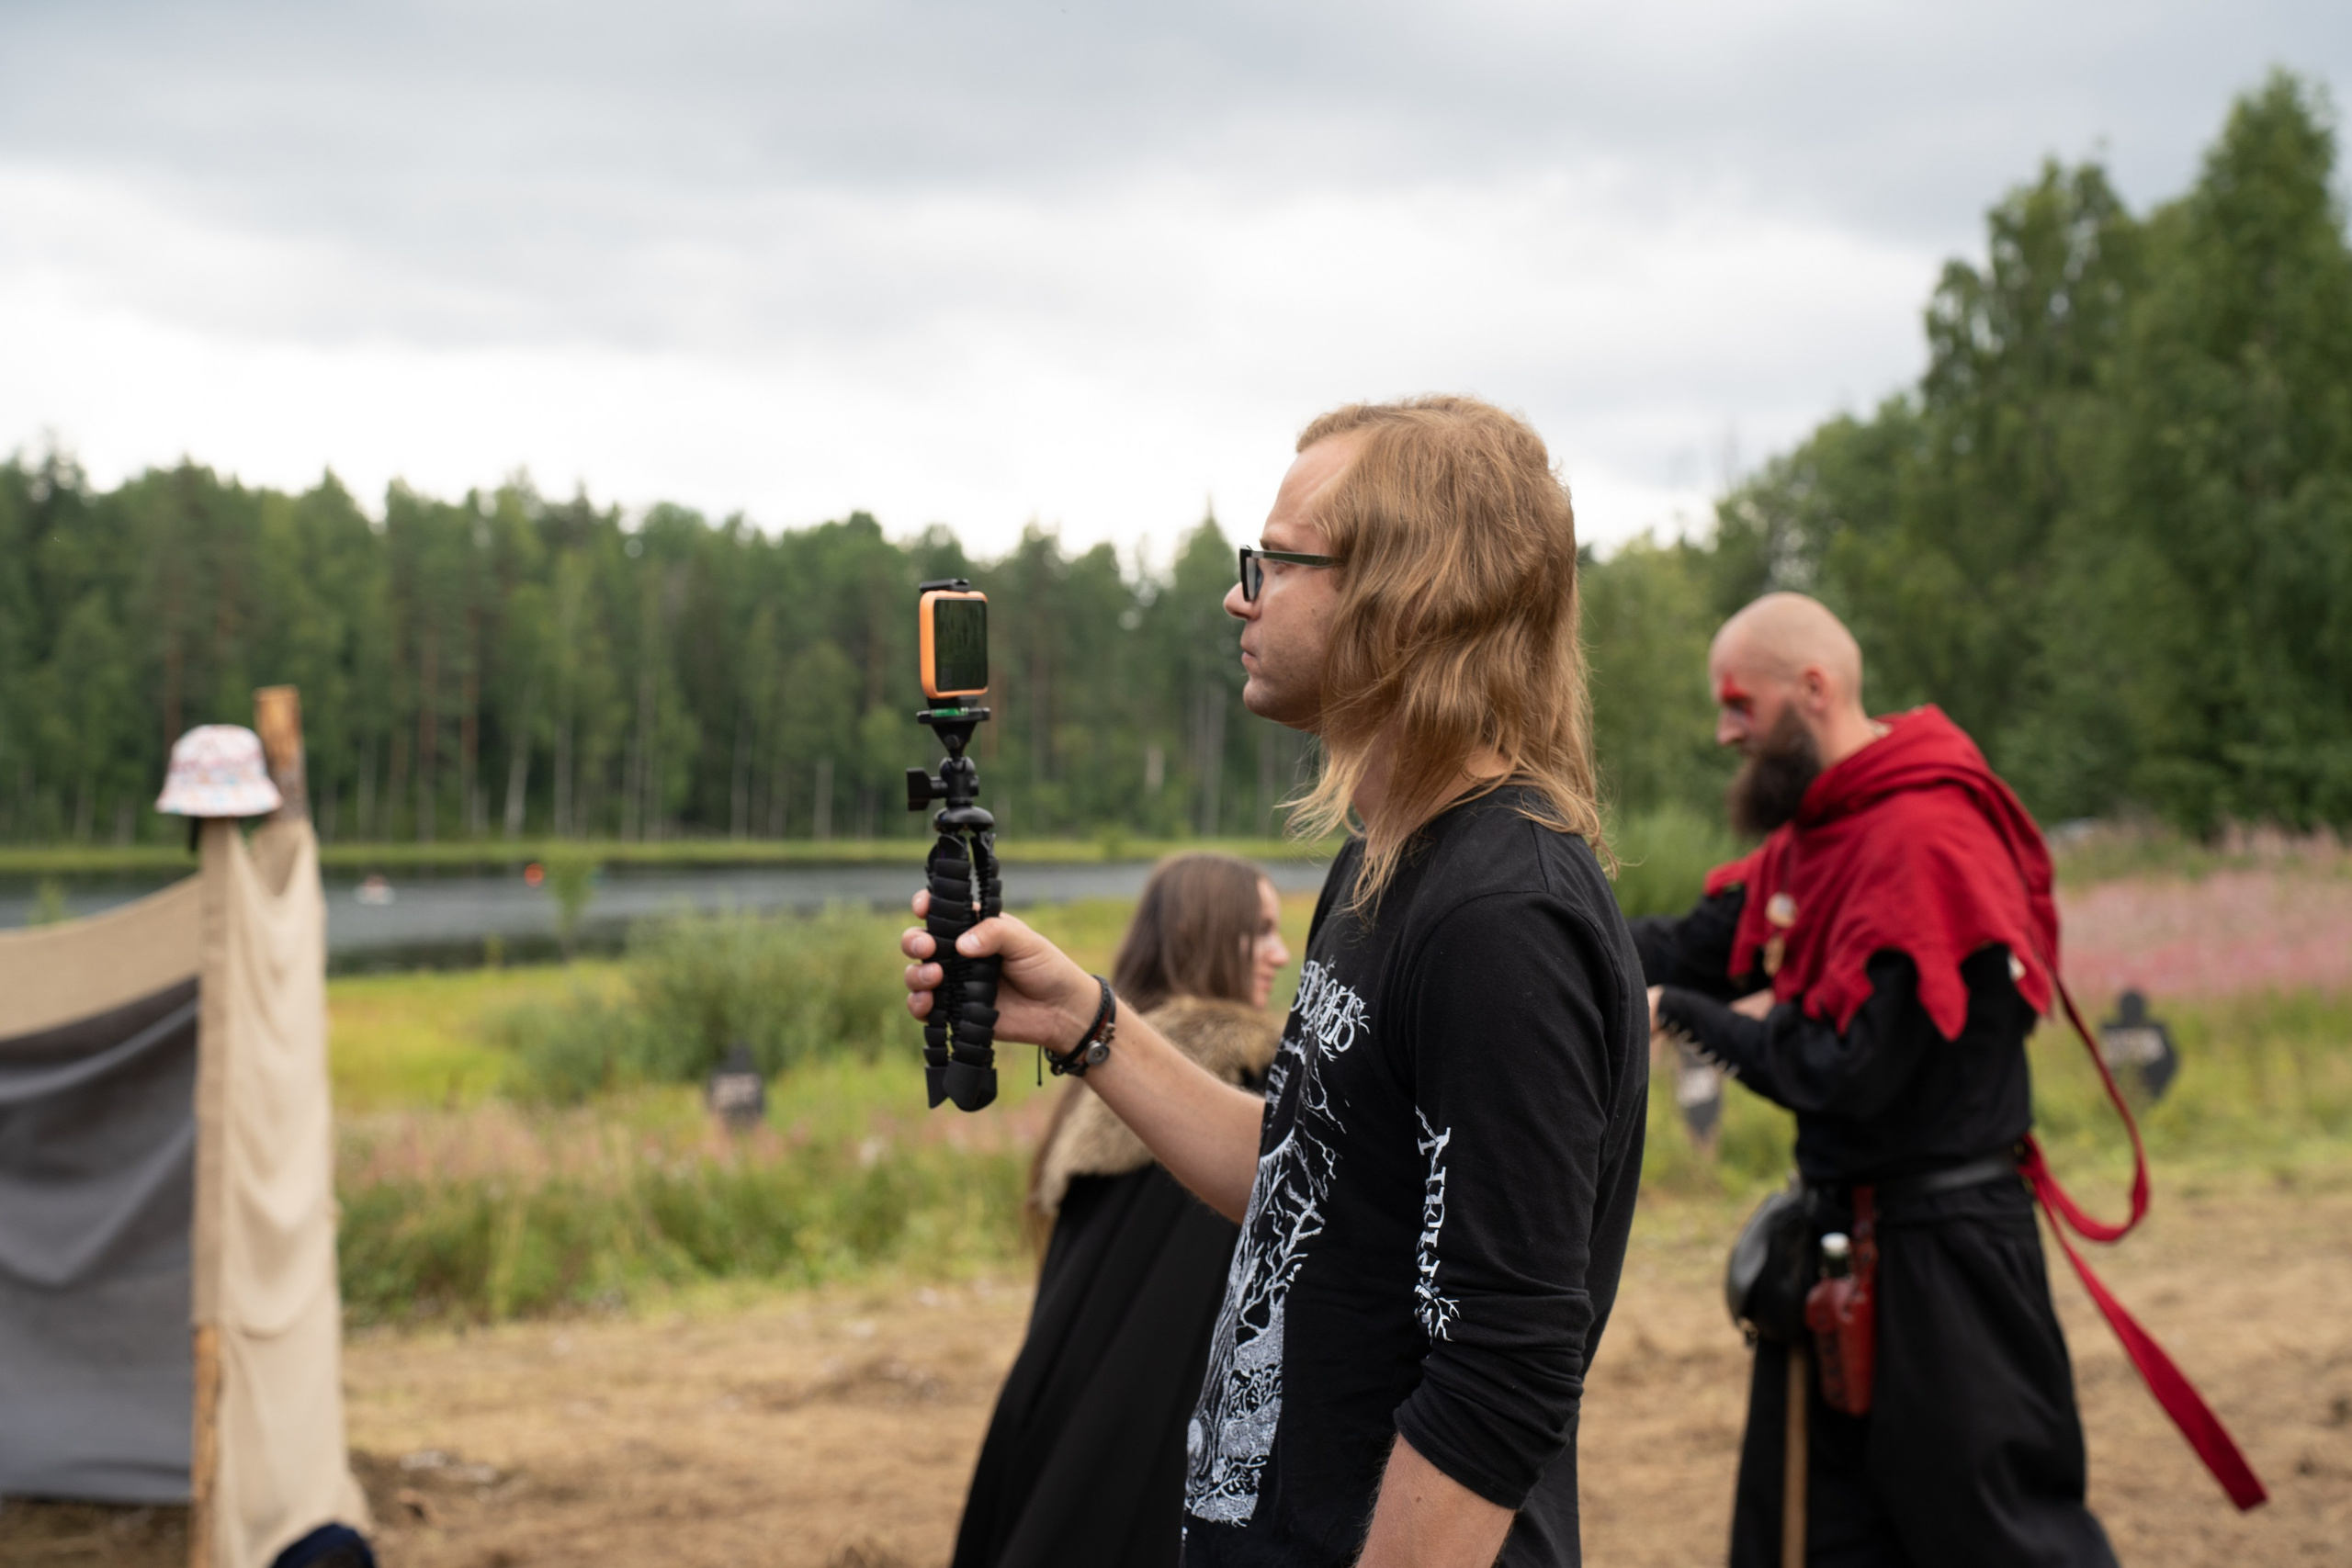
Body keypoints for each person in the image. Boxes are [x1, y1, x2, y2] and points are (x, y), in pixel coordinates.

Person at [903, 395, 1649, 1568]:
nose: (1237, 596)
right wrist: (1085, 1021)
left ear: (1408, 597)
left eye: (1276, 563)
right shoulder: (1382, 864)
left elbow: (1502, 1369)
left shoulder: (1503, 919)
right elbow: (1303, 1177)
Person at [1634, 592, 2118, 1567]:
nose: (1725, 732)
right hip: (1837, 1243)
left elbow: (1844, 1069)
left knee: (2001, 1545)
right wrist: (1531, 928)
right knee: (1814, 1545)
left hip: (1948, 1262)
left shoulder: (1926, 839)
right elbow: (1686, 946)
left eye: (1739, 704)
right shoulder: (1818, 837)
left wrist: (1677, 1013)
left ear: (1812, 688)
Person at [954, 853, 1292, 1568]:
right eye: (1259, 929)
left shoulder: (1109, 1078)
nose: (1279, 952)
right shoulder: (1225, 1089)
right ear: (1204, 931)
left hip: (1059, 1426)